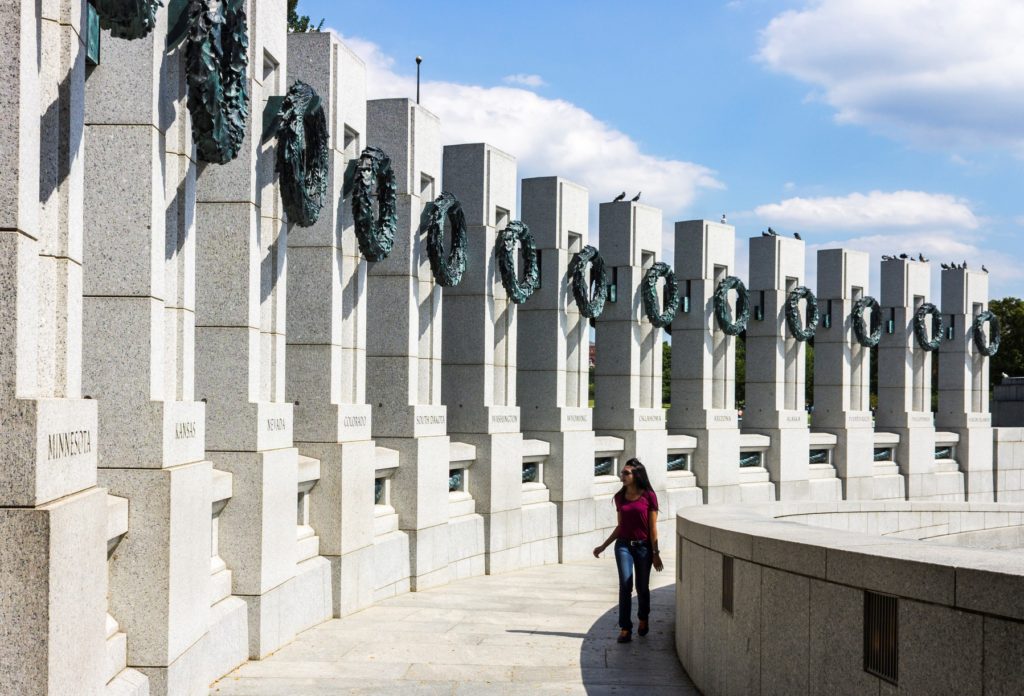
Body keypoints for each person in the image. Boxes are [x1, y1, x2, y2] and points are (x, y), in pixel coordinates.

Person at [592, 458, 663, 643]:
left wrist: (656, 553)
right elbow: (621, 526)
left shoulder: (649, 496)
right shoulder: (619, 497)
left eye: (626, 473)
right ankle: (625, 628)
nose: (622, 476)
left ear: (636, 475)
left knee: (642, 586)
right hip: (623, 545)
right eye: (622, 473)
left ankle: (643, 617)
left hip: (644, 547)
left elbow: (652, 528)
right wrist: (604, 545)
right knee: (625, 584)